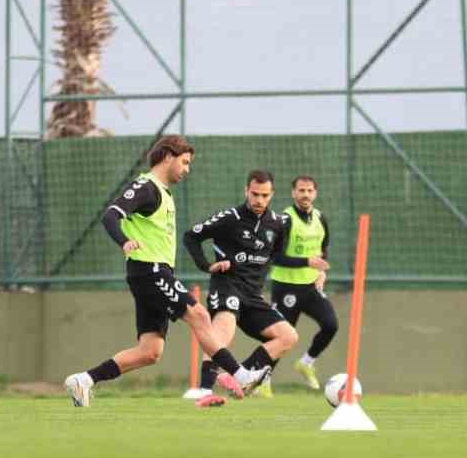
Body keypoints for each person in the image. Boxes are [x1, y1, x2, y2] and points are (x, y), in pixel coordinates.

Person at [63, 135, 264, 408]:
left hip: (152, 273)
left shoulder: (163, 193)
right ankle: (241, 376)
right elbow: (111, 214)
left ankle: (84, 380)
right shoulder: (147, 187)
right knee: (200, 315)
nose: (187, 169)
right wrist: (124, 241)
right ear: (168, 156)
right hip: (150, 271)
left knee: (150, 351)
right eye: (184, 162)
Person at [184, 170, 328, 407]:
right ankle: (204, 390)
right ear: (246, 191)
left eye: (264, 195)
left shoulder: (277, 223)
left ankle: (243, 375)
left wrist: (317, 270)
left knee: (288, 336)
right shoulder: (230, 218)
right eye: (254, 194)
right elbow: (191, 236)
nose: (259, 200)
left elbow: (278, 256)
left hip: (253, 295)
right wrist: (207, 265)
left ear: (272, 195)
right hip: (227, 286)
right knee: (223, 331)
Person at [269, 174, 339, 390]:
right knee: (283, 338)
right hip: (286, 288)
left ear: (315, 193)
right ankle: (263, 379)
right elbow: (276, 256)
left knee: (330, 325)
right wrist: (307, 261)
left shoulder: (320, 218)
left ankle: (306, 363)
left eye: (309, 190)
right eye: (301, 190)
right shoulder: (286, 220)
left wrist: (322, 272)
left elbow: (323, 249)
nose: (305, 194)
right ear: (293, 193)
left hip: (310, 287)